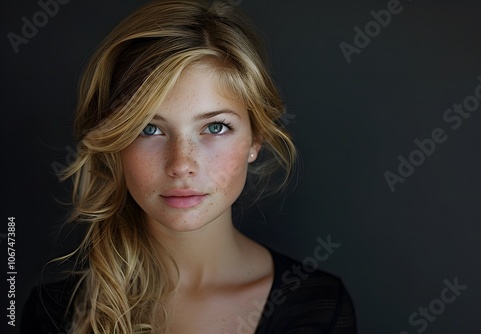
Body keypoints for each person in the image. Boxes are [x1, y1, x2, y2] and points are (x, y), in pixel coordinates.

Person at [21, 0, 357, 332]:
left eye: (214, 127)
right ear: (114, 143)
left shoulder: (319, 309)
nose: (181, 165)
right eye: (148, 129)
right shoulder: (55, 313)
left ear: (255, 139)